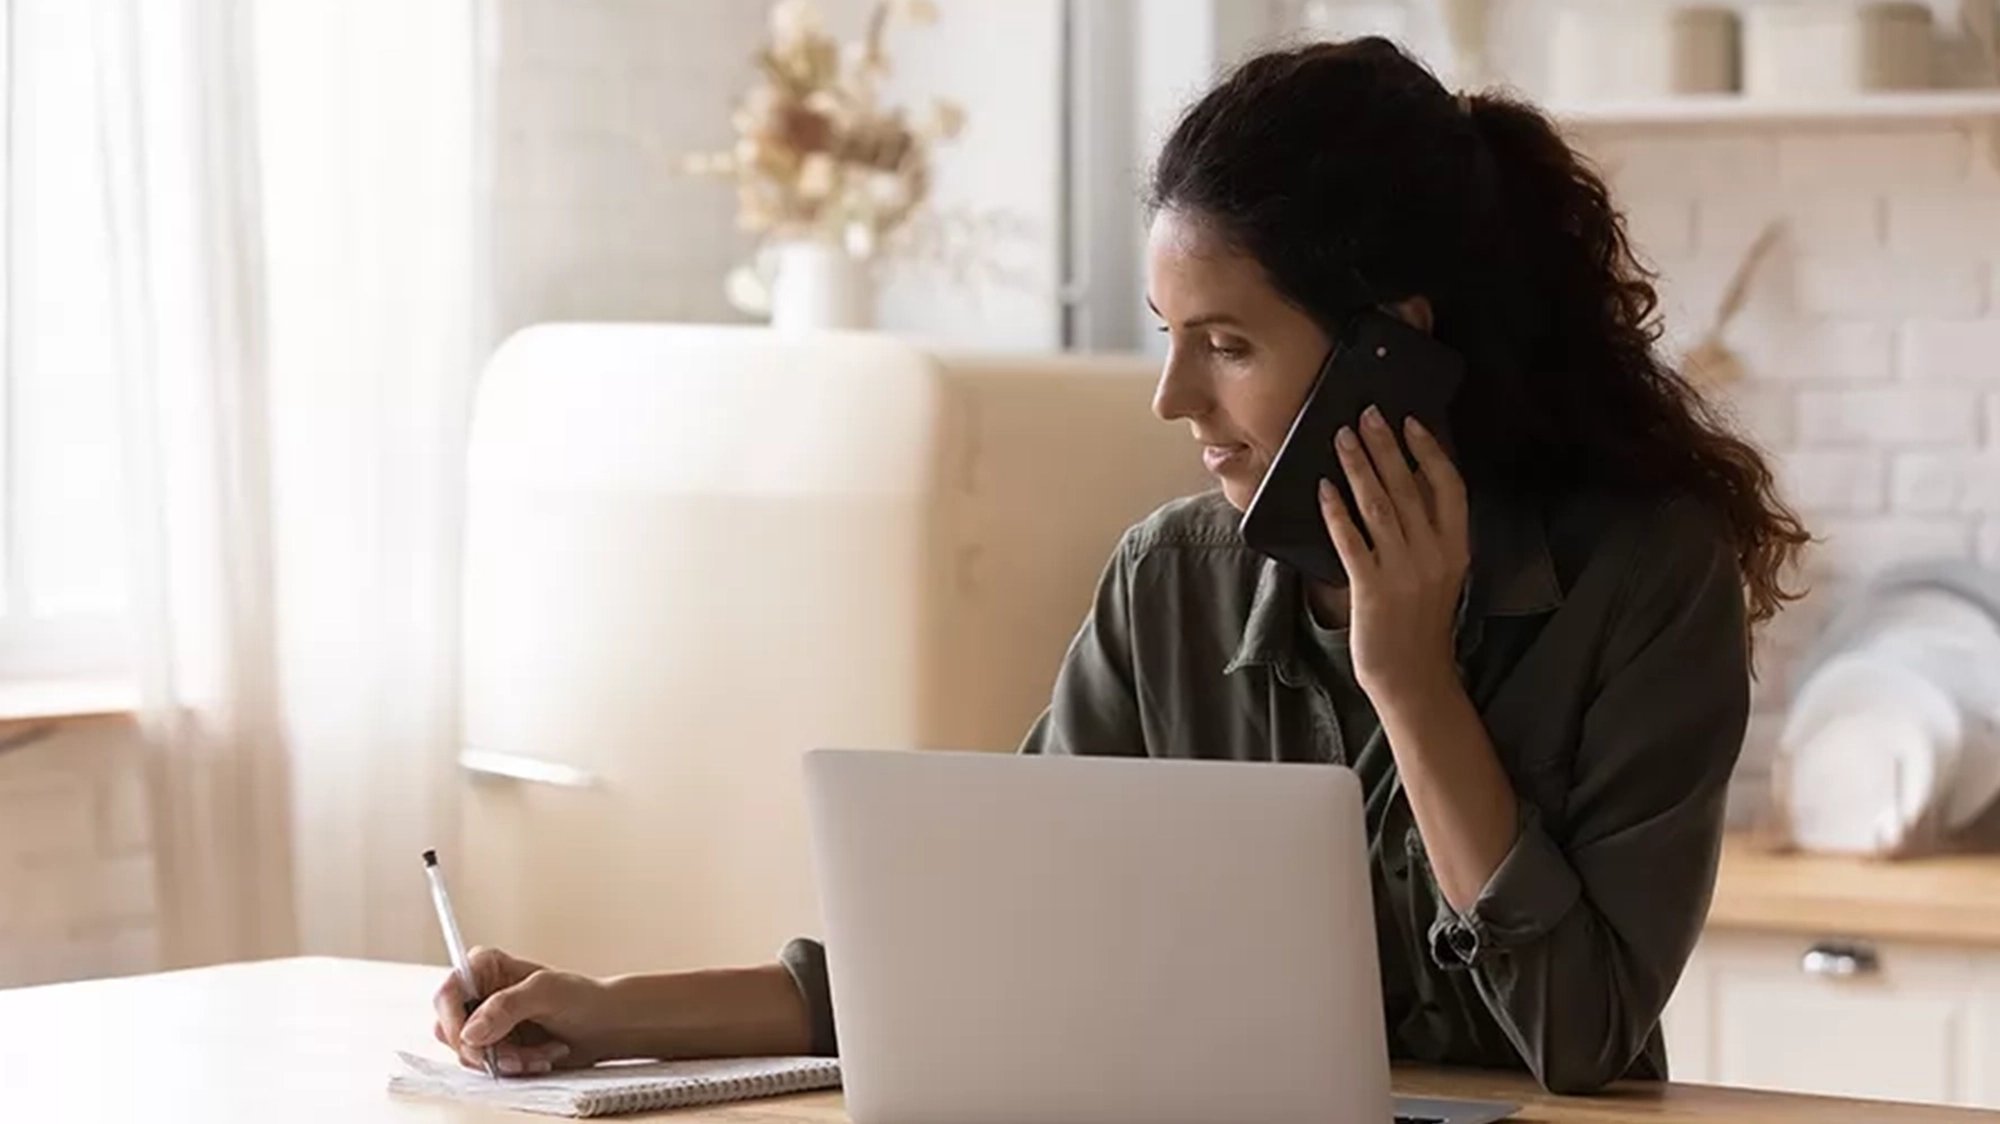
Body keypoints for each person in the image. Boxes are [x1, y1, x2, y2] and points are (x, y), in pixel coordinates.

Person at [429, 37, 1809, 1096]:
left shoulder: (1646, 583)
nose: (1172, 399)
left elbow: (1579, 1038)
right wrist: (611, 1009)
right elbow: (969, 951)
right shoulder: (1170, 585)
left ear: (1392, 348)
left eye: (1228, 345)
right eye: (1168, 332)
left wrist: (1411, 683)